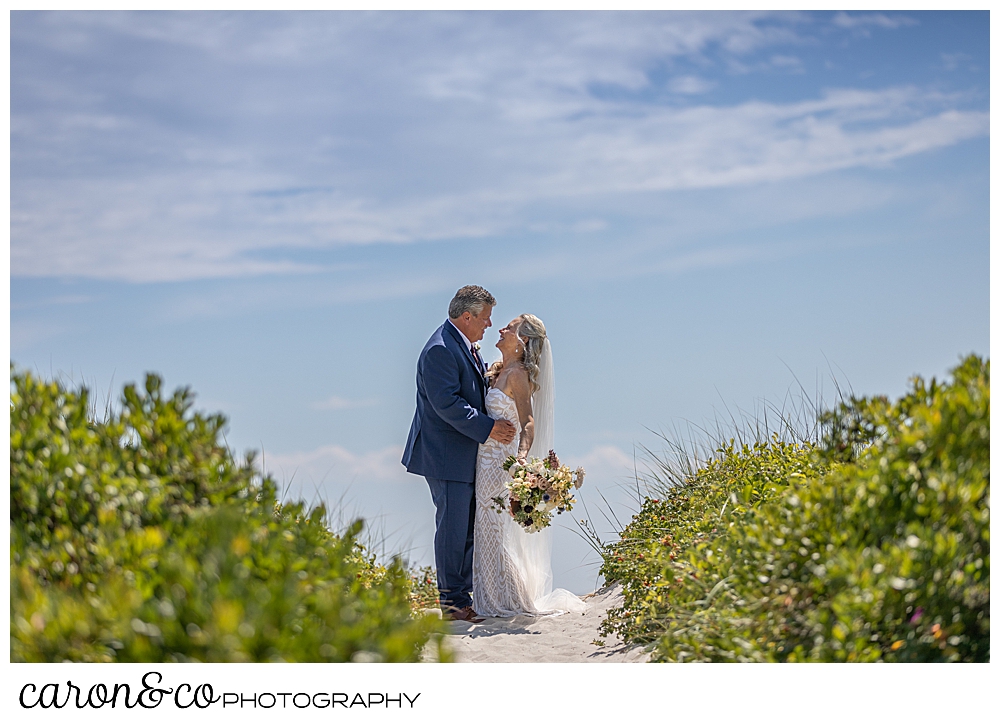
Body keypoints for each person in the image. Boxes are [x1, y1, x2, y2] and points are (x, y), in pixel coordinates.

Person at [401, 285, 517, 623]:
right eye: (485, 319)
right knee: (453, 528)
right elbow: (447, 404)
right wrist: (489, 428)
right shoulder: (440, 349)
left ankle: (461, 598)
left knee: (465, 527)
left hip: (462, 454)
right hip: (444, 454)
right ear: (467, 317)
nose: (489, 326)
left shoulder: (460, 344)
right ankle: (452, 603)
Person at [472, 313, 586, 617]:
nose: (501, 329)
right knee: (486, 527)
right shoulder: (497, 370)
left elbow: (528, 421)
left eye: (509, 328)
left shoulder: (518, 375)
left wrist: (521, 457)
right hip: (482, 460)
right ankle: (491, 595)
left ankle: (507, 598)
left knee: (495, 527)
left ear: (522, 341)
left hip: (500, 462)